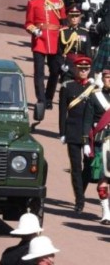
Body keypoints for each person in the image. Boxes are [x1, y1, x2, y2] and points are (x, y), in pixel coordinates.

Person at [25, 0, 66, 111]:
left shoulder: (58, 2)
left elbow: (63, 22)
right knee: (39, 73)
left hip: (55, 40)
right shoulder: (33, 3)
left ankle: (49, 97)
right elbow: (28, 23)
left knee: (55, 71)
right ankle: (41, 99)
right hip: (40, 41)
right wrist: (34, 30)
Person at [59, 56, 94, 213]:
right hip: (72, 131)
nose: (83, 71)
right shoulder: (67, 86)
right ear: (75, 69)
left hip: (90, 133)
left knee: (88, 168)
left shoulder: (94, 88)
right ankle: (79, 200)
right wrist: (62, 132)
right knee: (75, 167)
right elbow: (62, 112)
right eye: (81, 69)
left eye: (86, 69)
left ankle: (81, 192)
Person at [83, 68, 110, 224]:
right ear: (102, 79)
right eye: (107, 77)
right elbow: (87, 121)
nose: (109, 80)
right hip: (102, 142)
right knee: (103, 178)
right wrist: (86, 141)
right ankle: (106, 212)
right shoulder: (95, 97)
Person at [58, 5, 91, 82]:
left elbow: (88, 53)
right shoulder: (63, 32)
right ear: (68, 17)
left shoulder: (84, 32)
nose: (74, 18)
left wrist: (90, 71)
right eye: (71, 16)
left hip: (81, 65)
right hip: (68, 64)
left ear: (80, 17)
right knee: (66, 87)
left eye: (76, 16)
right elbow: (59, 52)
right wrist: (62, 64)